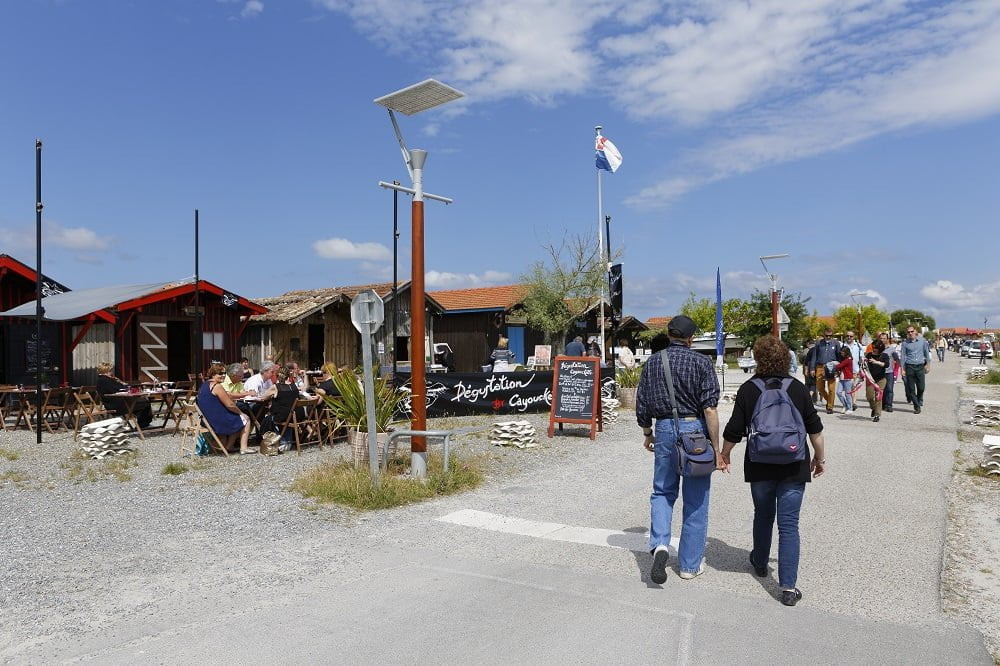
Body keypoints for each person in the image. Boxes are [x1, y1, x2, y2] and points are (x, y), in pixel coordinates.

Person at [719, 335, 825, 607]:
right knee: (789, 525)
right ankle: (788, 587)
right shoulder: (798, 388)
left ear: (757, 359)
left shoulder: (749, 389)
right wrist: (819, 458)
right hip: (794, 462)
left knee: (763, 515)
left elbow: (734, 429)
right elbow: (815, 429)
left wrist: (725, 453)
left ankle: (761, 562)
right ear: (785, 358)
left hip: (760, 462)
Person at [636, 316, 721, 584]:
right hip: (694, 430)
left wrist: (648, 433)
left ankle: (660, 544)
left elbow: (642, 404)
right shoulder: (702, 363)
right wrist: (717, 449)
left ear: (669, 334)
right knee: (696, 498)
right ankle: (689, 564)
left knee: (662, 490)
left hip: (663, 429)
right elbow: (709, 408)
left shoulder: (652, 363)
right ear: (691, 338)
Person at [196, 362, 253, 454]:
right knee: (246, 419)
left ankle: (229, 446)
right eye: (220, 374)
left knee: (237, 418)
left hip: (206, 418)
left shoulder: (205, 384)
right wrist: (241, 413)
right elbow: (229, 405)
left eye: (224, 373)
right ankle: (244, 448)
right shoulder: (217, 386)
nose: (223, 375)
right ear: (213, 375)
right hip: (215, 420)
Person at [95, 361, 153, 429]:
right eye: (110, 371)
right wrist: (125, 387)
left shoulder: (105, 379)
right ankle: (142, 425)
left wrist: (120, 383)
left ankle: (143, 424)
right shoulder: (104, 380)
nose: (111, 372)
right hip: (115, 405)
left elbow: (120, 387)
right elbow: (118, 389)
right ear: (105, 371)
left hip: (118, 402)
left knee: (142, 402)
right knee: (144, 403)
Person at [900, 326, 931, 414]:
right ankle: (916, 406)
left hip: (920, 366)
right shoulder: (905, 343)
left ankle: (918, 398)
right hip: (909, 367)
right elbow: (902, 357)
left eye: (912, 331)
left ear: (915, 331)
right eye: (908, 332)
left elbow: (927, 354)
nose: (910, 333)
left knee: (921, 387)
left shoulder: (922, 341)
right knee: (911, 388)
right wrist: (902, 369)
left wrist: (928, 365)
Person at [809, 328, 841, 414]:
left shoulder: (836, 343)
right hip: (820, 366)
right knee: (820, 388)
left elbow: (839, 357)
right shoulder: (819, 343)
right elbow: (814, 356)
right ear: (824, 335)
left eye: (830, 336)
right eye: (826, 335)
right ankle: (829, 401)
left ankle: (830, 407)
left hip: (831, 367)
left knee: (831, 389)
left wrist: (838, 369)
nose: (828, 337)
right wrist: (812, 368)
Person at [864, 339, 889, 422]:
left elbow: (886, 365)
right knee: (869, 396)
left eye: (876, 347)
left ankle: (877, 415)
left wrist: (876, 362)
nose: (874, 349)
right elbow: (864, 364)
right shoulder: (869, 355)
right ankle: (873, 408)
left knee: (878, 397)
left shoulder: (884, 355)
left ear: (880, 348)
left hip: (881, 379)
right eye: (873, 347)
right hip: (870, 379)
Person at [832, 346, 855, 413]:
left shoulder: (848, 359)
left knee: (847, 394)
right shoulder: (844, 359)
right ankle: (845, 405)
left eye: (842, 352)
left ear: (846, 353)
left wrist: (832, 364)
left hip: (848, 378)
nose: (841, 354)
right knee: (838, 392)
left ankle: (850, 408)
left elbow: (839, 366)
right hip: (842, 378)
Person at [801, 339, 817, 404]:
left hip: (806, 368)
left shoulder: (805, 351)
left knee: (807, 383)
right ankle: (814, 400)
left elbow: (801, 359)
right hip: (815, 368)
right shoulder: (817, 349)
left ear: (808, 343)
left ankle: (806, 397)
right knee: (814, 383)